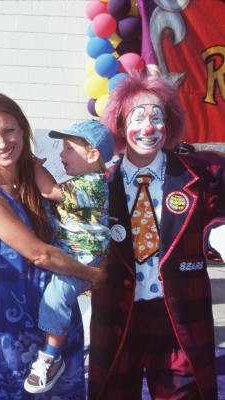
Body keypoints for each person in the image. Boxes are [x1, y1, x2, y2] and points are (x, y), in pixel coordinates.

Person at [89, 73, 225, 399]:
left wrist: (217, 233)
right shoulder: (98, 185)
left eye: (157, 118)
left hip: (178, 317)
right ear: (120, 126)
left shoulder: (200, 175)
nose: (148, 128)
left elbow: (215, 214)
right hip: (120, 315)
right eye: (138, 118)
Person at [0, 92, 105, 399]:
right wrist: (94, 275)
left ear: (23, 130)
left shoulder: (36, 182)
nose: (2, 143)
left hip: (59, 317)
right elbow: (39, 254)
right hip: (16, 326)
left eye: (9, 130)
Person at [24, 120, 114, 394]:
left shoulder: (92, 184)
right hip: (74, 251)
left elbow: (50, 191)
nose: (62, 154)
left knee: (56, 296)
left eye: (68, 148)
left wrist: (34, 167)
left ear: (93, 155)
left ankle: (51, 356)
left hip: (83, 257)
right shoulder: (84, 181)